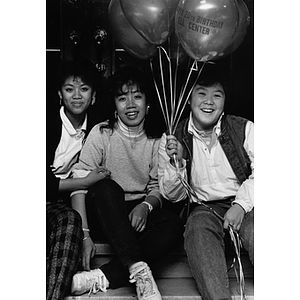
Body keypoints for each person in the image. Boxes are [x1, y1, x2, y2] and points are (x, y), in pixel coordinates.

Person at [69, 65, 184, 300]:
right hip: (105, 212)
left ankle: (101, 277)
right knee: (107, 186)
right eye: (122, 98)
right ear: (115, 105)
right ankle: (139, 271)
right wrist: (85, 234)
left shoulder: (157, 140)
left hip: (136, 215)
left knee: (172, 224)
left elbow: (157, 188)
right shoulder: (101, 133)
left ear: (148, 103)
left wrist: (146, 206)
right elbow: (79, 184)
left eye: (137, 97)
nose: (130, 105)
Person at [158, 66, 254, 300]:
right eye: (201, 93)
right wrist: (177, 162)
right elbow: (171, 196)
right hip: (204, 210)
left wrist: (240, 206)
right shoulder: (172, 137)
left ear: (224, 100)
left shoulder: (244, 128)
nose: (209, 102)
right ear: (189, 98)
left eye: (217, 95)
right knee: (197, 230)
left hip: (247, 203)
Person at [46, 59, 106, 300]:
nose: (77, 96)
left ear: (93, 96)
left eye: (84, 89)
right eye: (70, 89)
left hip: (65, 206)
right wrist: (83, 182)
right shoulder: (45, 123)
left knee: (70, 220)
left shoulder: (98, 128)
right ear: (60, 94)